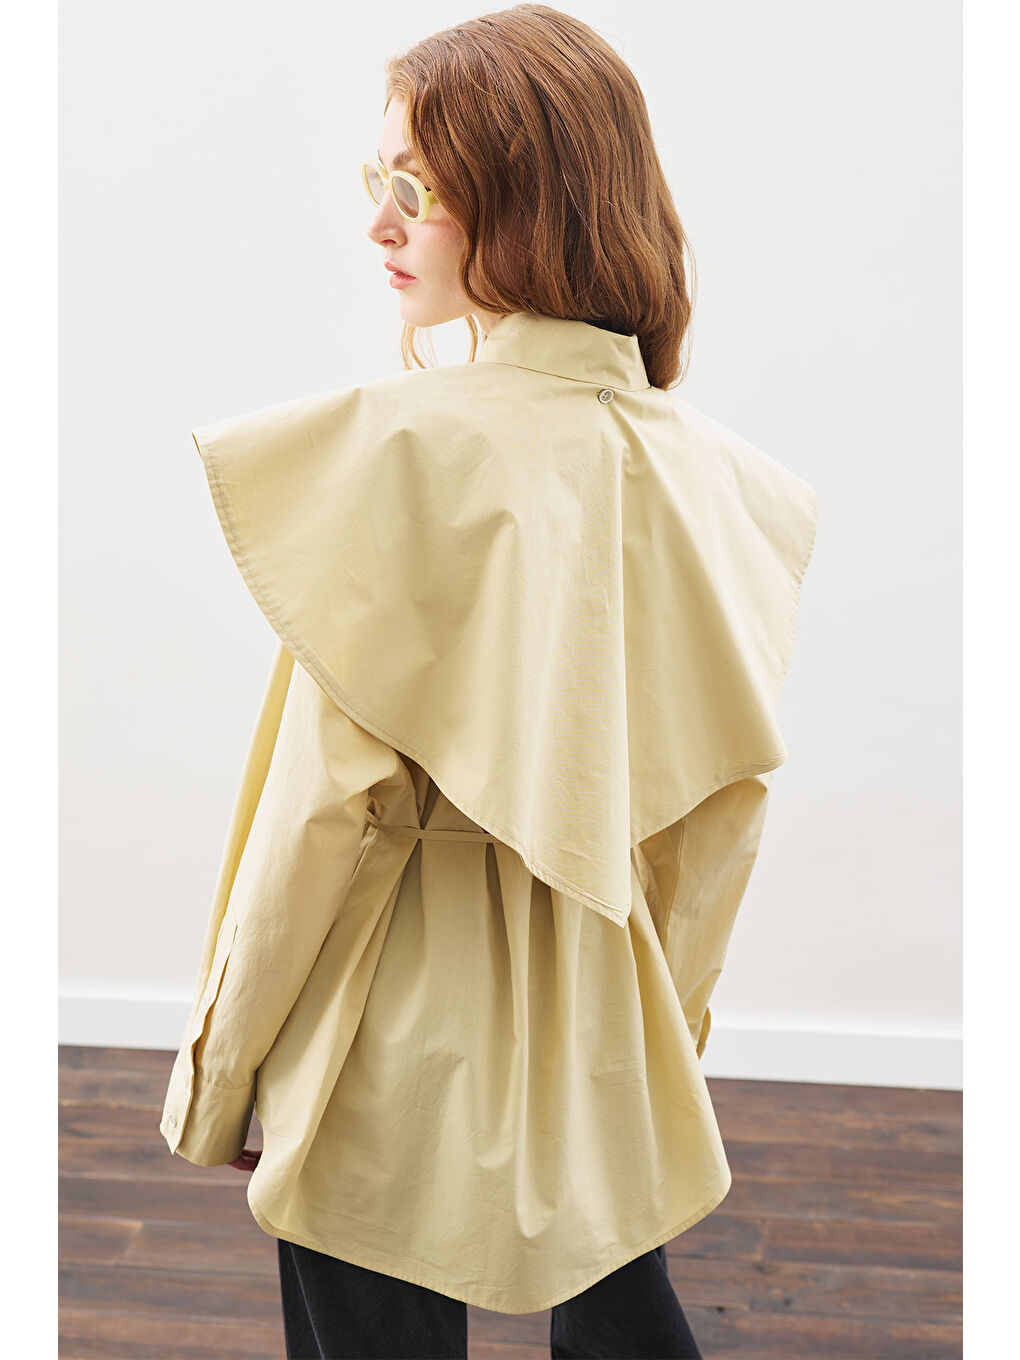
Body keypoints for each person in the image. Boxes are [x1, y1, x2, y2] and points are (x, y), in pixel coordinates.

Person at [159, 5, 820, 1358]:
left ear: (525, 202)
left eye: (416, 188)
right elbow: (715, 830)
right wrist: (661, 1047)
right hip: (602, 1031)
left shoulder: (397, 457)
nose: (378, 223)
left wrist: (227, 1073)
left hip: (379, 1034)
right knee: (627, 1322)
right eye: (378, 179)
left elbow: (325, 819)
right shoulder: (731, 487)